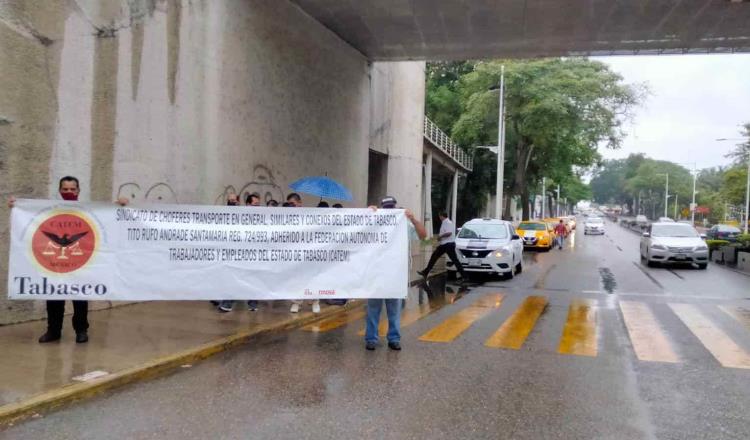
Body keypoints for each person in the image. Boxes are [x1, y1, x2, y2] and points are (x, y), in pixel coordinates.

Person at [7, 176, 128, 344]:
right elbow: (32, 218)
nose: (69, 192)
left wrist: (120, 204)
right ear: (60, 191)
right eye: (65, 189)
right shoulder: (51, 210)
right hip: (55, 262)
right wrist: (17, 206)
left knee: (80, 297)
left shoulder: (88, 210)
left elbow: (108, 215)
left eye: (72, 189)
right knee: (54, 296)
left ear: (78, 191)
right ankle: (53, 331)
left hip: (81, 261)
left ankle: (81, 330)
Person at [365, 196, 427, 351]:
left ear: (395, 208)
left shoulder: (403, 223)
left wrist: (413, 219)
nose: (389, 211)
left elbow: (423, 236)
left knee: (394, 310)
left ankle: (393, 338)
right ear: (381, 209)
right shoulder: (373, 220)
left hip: (395, 273)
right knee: (373, 309)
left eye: (391, 208)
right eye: (386, 208)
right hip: (376, 272)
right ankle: (371, 339)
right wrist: (365, 214)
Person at [286, 192, 320, 314]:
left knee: (312, 277)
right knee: (296, 278)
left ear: (299, 203)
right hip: (295, 253)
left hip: (310, 252)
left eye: (292, 204)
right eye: (288, 204)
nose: (291, 206)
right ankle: (296, 303)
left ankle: (315, 301)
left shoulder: (309, 216)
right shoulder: (286, 218)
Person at [417, 211, 466, 282]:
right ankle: (425, 272)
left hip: (448, 245)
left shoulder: (448, 223)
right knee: (434, 256)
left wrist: (440, 237)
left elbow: (449, 233)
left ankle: (464, 276)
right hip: (444, 244)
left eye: (439, 216)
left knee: (455, 260)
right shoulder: (445, 222)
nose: (439, 217)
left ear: (442, 216)